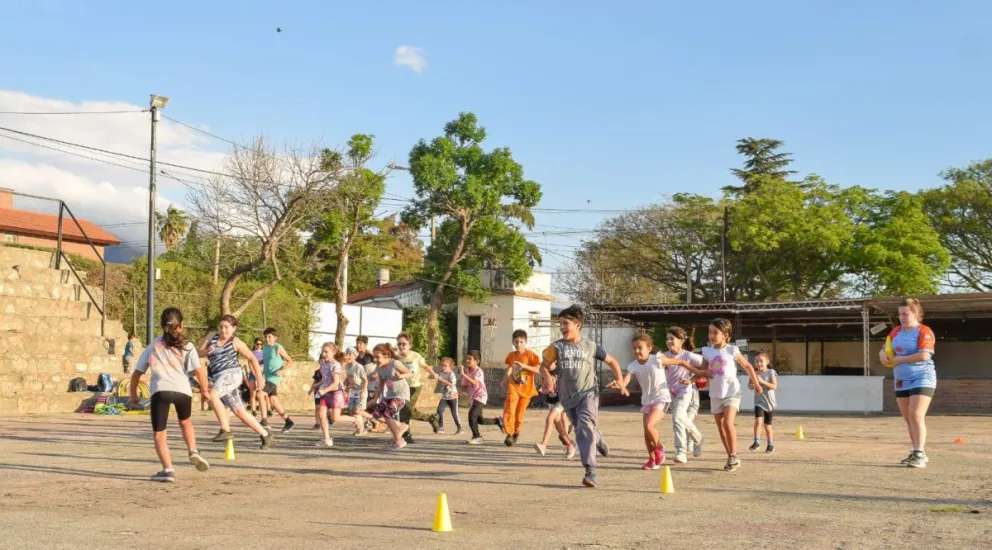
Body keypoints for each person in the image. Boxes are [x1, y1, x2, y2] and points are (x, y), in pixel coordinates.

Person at [540, 305, 628, 488]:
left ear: (578, 324)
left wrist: (620, 380)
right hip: (567, 398)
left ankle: (590, 471)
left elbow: (613, 361)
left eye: (565, 323)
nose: (562, 327)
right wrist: (547, 376)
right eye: (560, 324)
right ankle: (597, 438)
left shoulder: (591, 346)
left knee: (583, 427)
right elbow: (544, 365)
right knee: (582, 427)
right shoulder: (556, 347)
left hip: (588, 393)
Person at [128, 308, 210, 482]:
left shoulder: (154, 345)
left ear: (161, 325)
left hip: (160, 391)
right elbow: (199, 371)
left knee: (160, 433)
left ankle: (168, 470)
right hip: (183, 391)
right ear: (182, 325)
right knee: (185, 422)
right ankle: (193, 450)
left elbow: (136, 374)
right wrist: (205, 391)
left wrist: (133, 396)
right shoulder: (188, 345)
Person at [611, 333, 697, 470]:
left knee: (650, 425)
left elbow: (681, 362)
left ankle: (659, 448)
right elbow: (625, 381)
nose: (637, 351)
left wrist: (698, 373)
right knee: (646, 431)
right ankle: (652, 459)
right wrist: (620, 385)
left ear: (649, 348)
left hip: (661, 398)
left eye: (640, 347)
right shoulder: (633, 365)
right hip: (647, 400)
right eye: (634, 348)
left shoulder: (657, 359)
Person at [198, 315, 273, 449]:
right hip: (219, 378)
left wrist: (260, 380)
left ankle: (225, 430)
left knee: (213, 394)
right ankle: (265, 433)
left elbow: (252, 359)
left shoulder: (235, 341)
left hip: (232, 374)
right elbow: (198, 352)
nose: (223, 330)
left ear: (234, 328)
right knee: (239, 411)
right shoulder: (211, 336)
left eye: (227, 327)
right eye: (221, 327)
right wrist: (205, 351)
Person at [879, 298, 936, 469]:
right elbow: (885, 348)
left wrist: (900, 359)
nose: (902, 317)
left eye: (905, 314)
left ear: (916, 314)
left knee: (916, 415)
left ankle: (919, 453)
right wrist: (882, 354)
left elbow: (924, 356)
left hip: (922, 376)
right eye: (899, 314)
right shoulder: (895, 332)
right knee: (908, 419)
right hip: (901, 379)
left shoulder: (924, 331)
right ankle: (917, 451)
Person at [700, 318, 763, 471]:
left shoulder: (732, 350)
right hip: (715, 394)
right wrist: (695, 380)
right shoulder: (707, 352)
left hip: (732, 393)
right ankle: (730, 456)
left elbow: (747, 366)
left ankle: (734, 454)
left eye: (716, 332)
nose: (712, 335)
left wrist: (756, 383)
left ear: (726, 335)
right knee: (721, 427)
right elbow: (701, 372)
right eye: (710, 332)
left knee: (728, 423)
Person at [662, 326, 711, 464]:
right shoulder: (664, 356)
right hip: (670, 393)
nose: (669, 341)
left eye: (672, 338)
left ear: (681, 340)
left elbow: (705, 365)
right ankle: (698, 438)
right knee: (681, 418)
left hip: (685, 390)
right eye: (667, 339)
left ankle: (681, 452)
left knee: (677, 418)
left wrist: (693, 379)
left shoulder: (688, 356)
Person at [313, 342, 363, 447]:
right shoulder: (323, 364)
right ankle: (326, 439)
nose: (323, 354)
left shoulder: (336, 365)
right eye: (322, 351)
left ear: (334, 352)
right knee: (322, 415)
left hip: (336, 394)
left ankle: (355, 419)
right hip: (326, 393)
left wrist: (324, 390)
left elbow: (335, 382)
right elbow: (324, 379)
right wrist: (316, 385)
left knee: (336, 418)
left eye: (326, 351)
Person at [395, 333, 441, 441]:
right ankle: (408, 434)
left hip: (414, 386)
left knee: (408, 409)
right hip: (402, 388)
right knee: (403, 411)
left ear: (410, 345)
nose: (401, 346)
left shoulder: (416, 356)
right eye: (399, 344)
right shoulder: (396, 358)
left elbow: (424, 366)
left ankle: (429, 418)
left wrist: (433, 373)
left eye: (404, 344)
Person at [369, 343, 413, 451]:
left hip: (401, 394)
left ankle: (399, 440)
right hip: (390, 395)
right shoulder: (380, 369)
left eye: (377, 357)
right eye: (374, 357)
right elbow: (381, 385)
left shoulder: (395, 363)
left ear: (387, 356)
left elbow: (410, 373)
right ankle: (400, 427)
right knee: (376, 414)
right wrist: (375, 399)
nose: (375, 359)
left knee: (388, 414)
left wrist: (401, 375)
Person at [500, 329, 541, 446]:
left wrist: (524, 365)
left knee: (519, 414)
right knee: (510, 408)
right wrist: (505, 379)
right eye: (516, 342)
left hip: (526, 389)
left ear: (526, 342)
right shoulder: (511, 355)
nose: (519, 344)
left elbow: (538, 369)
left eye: (521, 342)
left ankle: (516, 433)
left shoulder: (531, 355)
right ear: (513, 342)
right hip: (513, 386)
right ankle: (509, 433)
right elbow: (510, 368)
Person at [461, 350, 505, 445]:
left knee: (472, 415)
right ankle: (498, 421)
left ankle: (477, 437)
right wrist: (457, 393)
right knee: (480, 420)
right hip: (473, 398)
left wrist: (463, 374)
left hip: (480, 397)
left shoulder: (478, 371)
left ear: (477, 361)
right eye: (467, 358)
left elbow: (474, 382)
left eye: (470, 359)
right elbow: (464, 386)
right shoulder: (467, 371)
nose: (467, 360)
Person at [533, 367, 575, 459]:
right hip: (551, 401)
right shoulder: (543, 372)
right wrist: (547, 389)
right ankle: (570, 445)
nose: (546, 361)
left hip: (562, 400)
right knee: (558, 426)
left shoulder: (561, 370)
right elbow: (543, 390)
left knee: (550, 418)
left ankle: (544, 445)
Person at [261, 327, 296, 433]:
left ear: (275, 337)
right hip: (267, 377)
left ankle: (264, 420)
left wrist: (283, 371)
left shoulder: (278, 347)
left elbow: (290, 360)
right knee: (273, 400)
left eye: (269, 337)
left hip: (274, 377)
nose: (267, 339)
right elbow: (267, 361)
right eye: (266, 337)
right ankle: (289, 421)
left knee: (261, 394)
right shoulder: (265, 348)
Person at [748, 350, 778, 453]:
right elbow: (749, 385)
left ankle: (770, 444)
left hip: (770, 403)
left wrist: (762, 382)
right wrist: (753, 385)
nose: (758, 363)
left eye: (761, 361)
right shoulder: (754, 373)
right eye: (756, 361)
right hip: (758, 401)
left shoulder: (771, 372)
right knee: (758, 421)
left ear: (767, 361)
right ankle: (756, 442)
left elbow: (774, 386)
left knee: (767, 426)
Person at [342, 346, 372, 432]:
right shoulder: (347, 366)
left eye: (349, 354)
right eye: (346, 353)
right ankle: (359, 428)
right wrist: (344, 386)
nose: (347, 356)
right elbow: (348, 378)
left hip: (361, 390)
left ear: (355, 356)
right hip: (353, 391)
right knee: (352, 411)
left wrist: (363, 390)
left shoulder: (358, 366)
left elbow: (365, 380)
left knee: (357, 411)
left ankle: (372, 419)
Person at [434, 357, 463, 435]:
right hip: (445, 397)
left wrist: (440, 379)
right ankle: (441, 427)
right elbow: (437, 378)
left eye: (445, 366)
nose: (443, 367)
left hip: (453, 397)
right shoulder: (442, 373)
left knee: (454, 413)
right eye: (442, 365)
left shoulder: (452, 375)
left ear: (451, 367)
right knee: (439, 410)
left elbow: (450, 384)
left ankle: (459, 428)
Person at [247, 338, 264, 416]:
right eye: (257, 344)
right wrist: (254, 373)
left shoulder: (264, 353)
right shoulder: (251, 352)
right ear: (254, 344)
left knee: (261, 393)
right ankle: (253, 410)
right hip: (253, 374)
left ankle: (264, 409)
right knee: (253, 393)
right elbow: (250, 363)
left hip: (261, 373)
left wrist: (261, 375)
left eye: (261, 344)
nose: (259, 346)